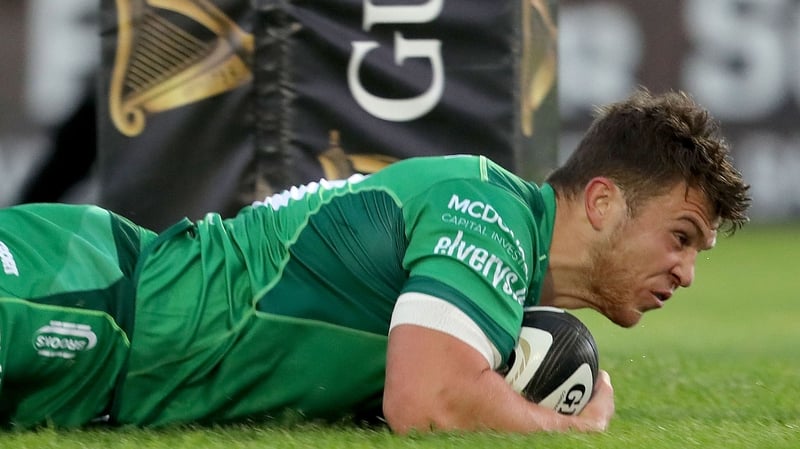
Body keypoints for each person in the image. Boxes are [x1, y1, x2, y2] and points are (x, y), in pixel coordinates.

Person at [0, 89, 750, 433]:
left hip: (103, 364)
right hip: (89, 296)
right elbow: (427, 401)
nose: (685, 271)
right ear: (601, 201)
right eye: (680, 236)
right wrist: (570, 428)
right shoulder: (485, 211)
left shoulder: (503, 273)